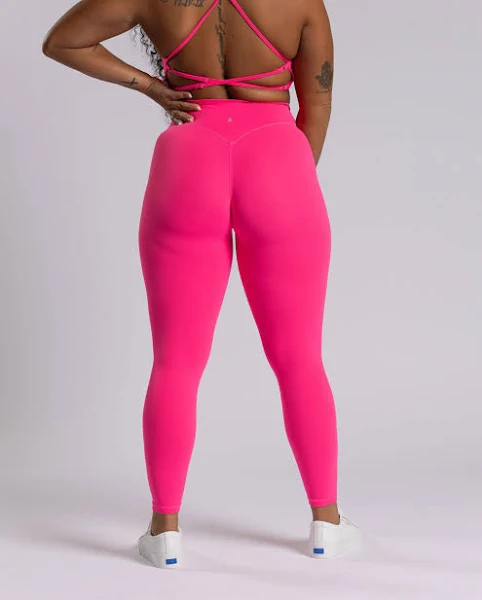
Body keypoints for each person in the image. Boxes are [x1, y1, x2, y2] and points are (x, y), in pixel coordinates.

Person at [42, 0, 363, 568]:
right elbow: (316, 105)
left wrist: (152, 87)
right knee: (299, 359)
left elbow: (62, 41)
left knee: (175, 362)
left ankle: (164, 532)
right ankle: (326, 523)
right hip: (279, 163)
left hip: (188, 161)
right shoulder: (301, 4)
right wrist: (284, 182)